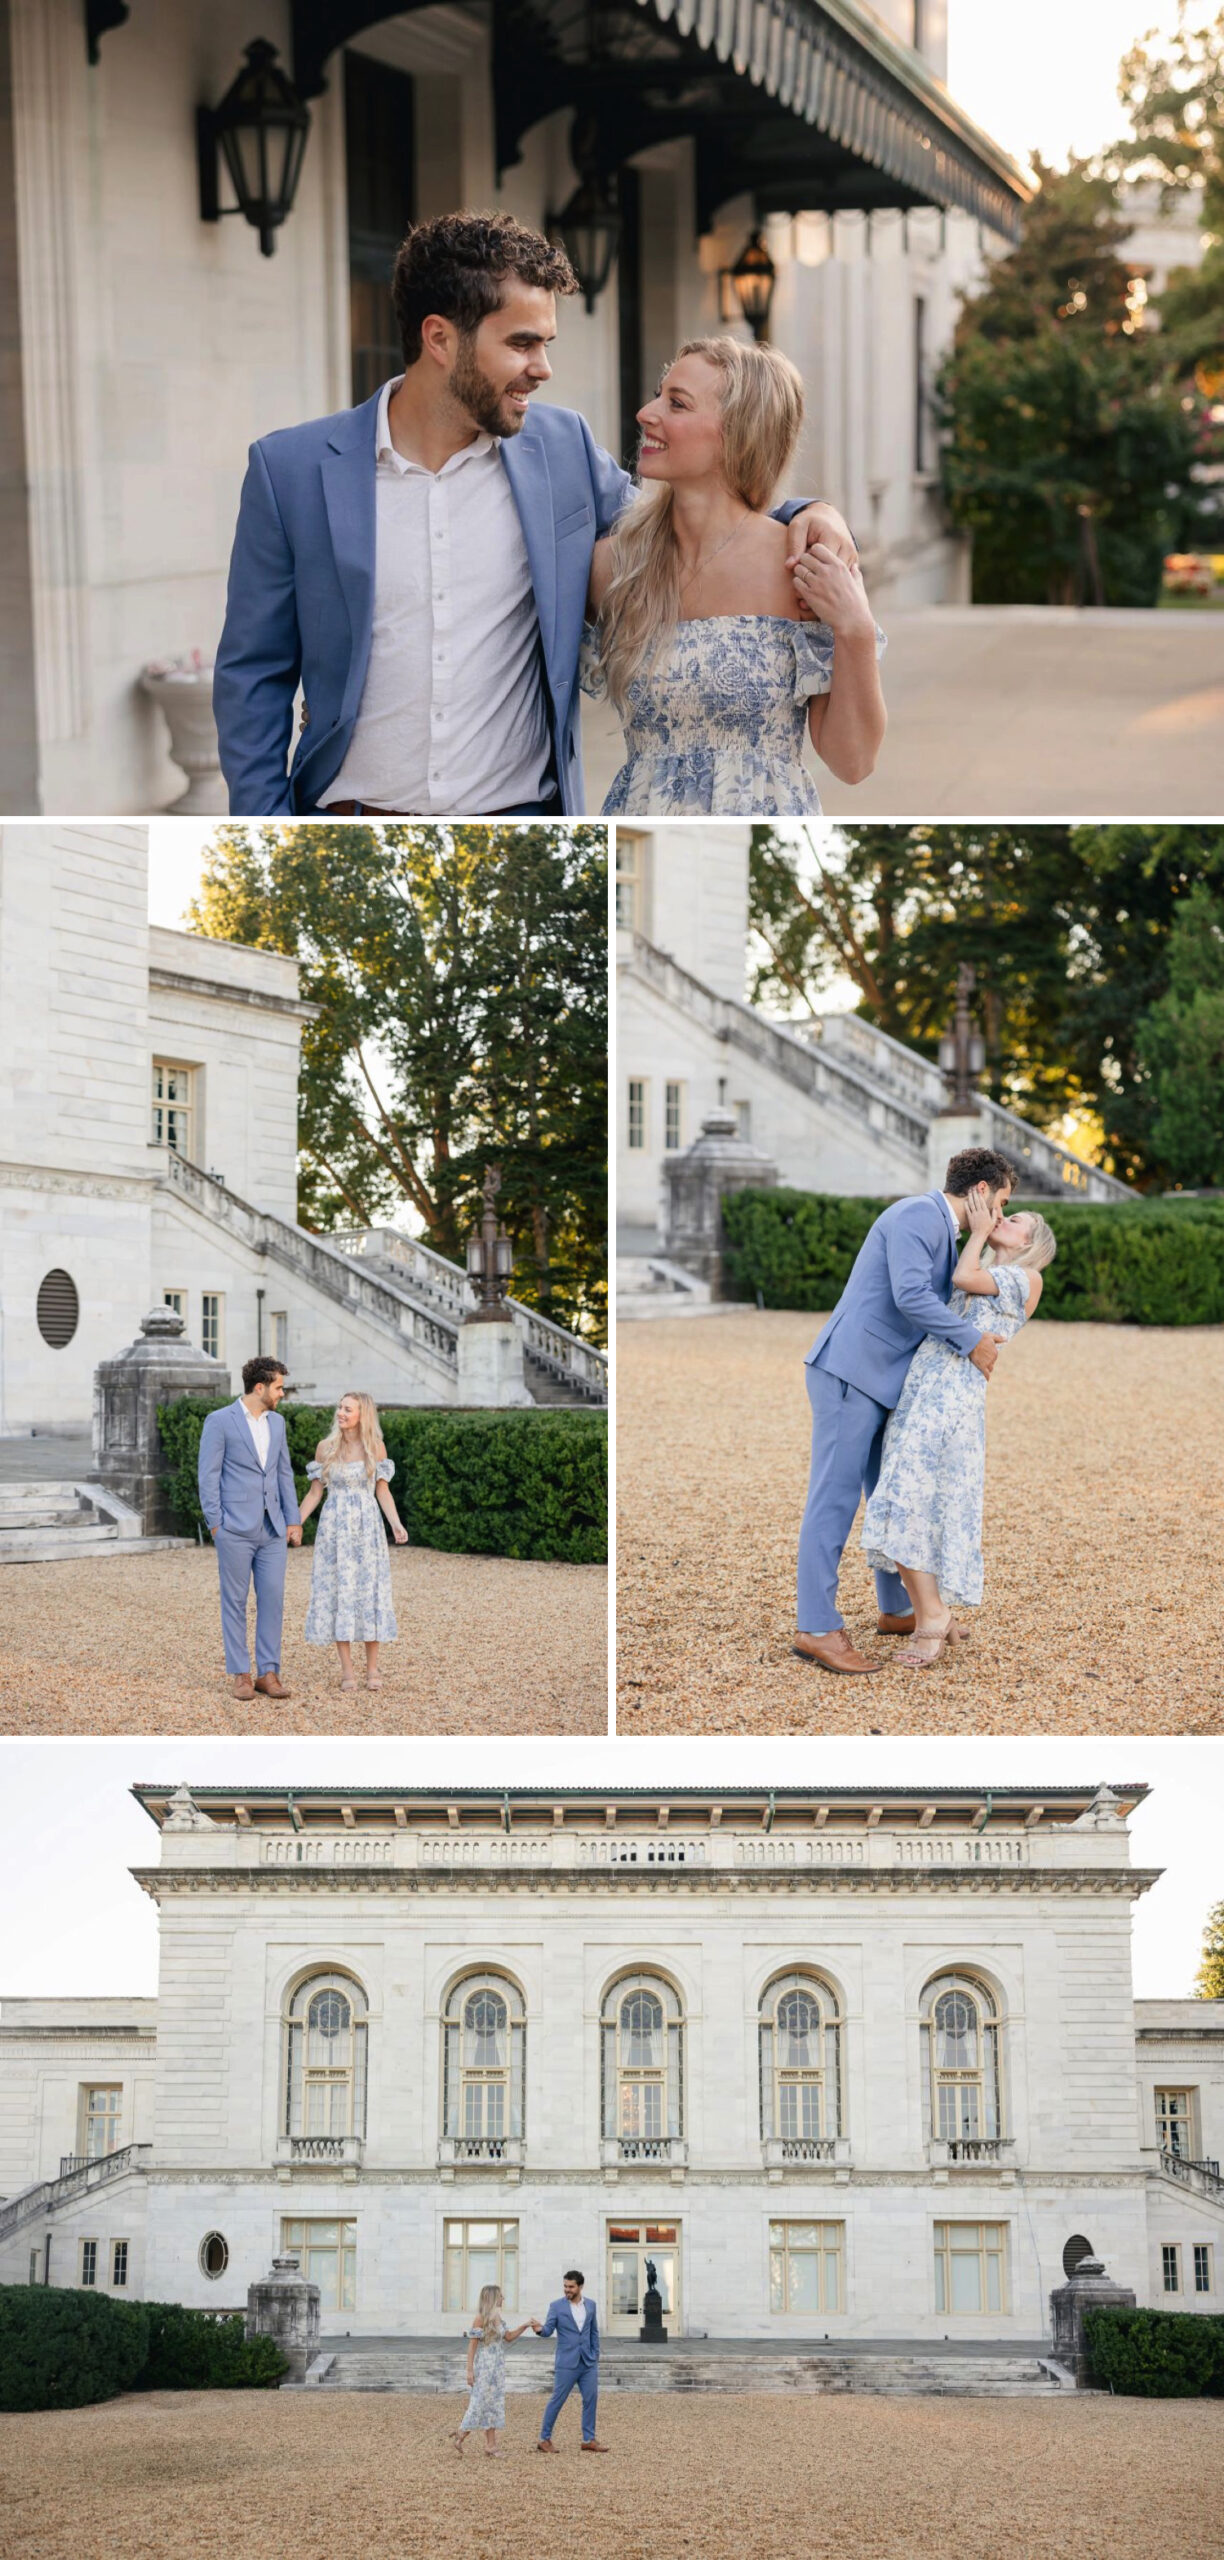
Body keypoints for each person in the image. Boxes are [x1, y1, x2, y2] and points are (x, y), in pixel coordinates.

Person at [213, 211, 856, 819]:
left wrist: (810, 512)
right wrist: (263, 822)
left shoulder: (562, 451)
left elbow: (689, 519)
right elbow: (253, 673)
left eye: (546, 343)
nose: (542, 369)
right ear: (439, 338)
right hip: (348, 819)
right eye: (522, 344)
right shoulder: (290, 471)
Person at [583, 336, 886, 816]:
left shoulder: (803, 567)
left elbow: (853, 762)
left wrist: (856, 630)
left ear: (738, 432)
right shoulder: (611, 567)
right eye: (659, 394)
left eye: (676, 404)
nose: (646, 412)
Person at [793, 1149, 1020, 1677]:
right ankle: (817, 1627)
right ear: (980, 1191)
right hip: (851, 1371)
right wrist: (973, 1343)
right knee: (834, 1499)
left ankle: (898, 1610)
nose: (1004, 1214)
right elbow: (911, 1295)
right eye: (1003, 1201)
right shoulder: (918, 1215)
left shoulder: (946, 1231)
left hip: (883, 1382)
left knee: (892, 1495)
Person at [861, 1194, 1056, 1664]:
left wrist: (978, 1231)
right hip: (922, 1386)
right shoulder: (990, 1271)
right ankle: (935, 1612)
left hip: (953, 1393)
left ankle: (931, 1616)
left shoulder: (1027, 1278)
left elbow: (961, 1278)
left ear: (1030, 1243)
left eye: (1014, 1220)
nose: (1002, 1218)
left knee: (909, 1493)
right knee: (907, 1497)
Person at [196, 1355, 301, 1701]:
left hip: (272, 1529)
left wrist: (292, 1520)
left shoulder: (278, 1424)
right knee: (235, 1601)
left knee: (272, 1599)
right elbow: (208, 1475)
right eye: (279, 1387)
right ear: (260, 1387)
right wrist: (216, 1525)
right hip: (234, 1529)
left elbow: (284, 1473)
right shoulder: (220, 1421)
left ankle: (268, 1673)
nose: (282, 1394)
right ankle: (241, 1673)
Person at [297, 1391, 406, 1691]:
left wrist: (395, 1523)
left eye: (348, 1409)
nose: (341, 1413)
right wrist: (294, 1523)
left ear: (362, 1415)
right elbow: (315, 1493)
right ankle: (347, 1671)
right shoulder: (326, 1448)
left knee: (368, 1593)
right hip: (334, 1530)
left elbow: (382, 1491)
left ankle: (372, 1669)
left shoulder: (375, 1448)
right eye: (340, 1407)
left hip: (367, 1529)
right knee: (338, 1592)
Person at [532, 2269, 608, 2453]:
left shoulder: (591, 2305)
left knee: (591, 2399)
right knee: (557, 2399)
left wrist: (595, 2355)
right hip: (567, 2362)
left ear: (580, 2286)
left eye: (571, 2287)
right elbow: (548, 2330)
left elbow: (594, 2332)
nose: (567, 2290)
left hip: (588, 2362)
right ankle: (544, 2439)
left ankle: (588, 2439)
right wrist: (539, 2330)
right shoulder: (556, 2306)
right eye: (565, 2286)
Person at [453, 2285, 532, 2458]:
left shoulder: (498, 2317)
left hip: (497, 2367)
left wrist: (525, 2326)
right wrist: (469, 2371)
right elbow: (472, 2344)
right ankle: (462, 2433)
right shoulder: (480, 2318)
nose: (503, 2298)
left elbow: (509, 2337)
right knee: (479, 2401)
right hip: (485, 2366)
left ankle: (491, 2445)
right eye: (500, 2296)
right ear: (493, 2297)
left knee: (494, 2404)